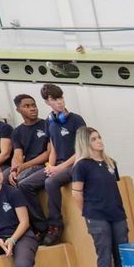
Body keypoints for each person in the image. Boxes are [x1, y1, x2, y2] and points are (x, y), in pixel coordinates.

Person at [72, 126, 134, 267]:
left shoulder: (110, 163)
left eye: (99, 137)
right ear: (85, 143)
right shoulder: (82, 165)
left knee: (121, 252)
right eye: (93, 139)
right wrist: (88, 213)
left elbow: (112, 187)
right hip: (97, 215)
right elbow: (77, 193)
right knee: (104, 254)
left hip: (116, 213)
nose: (99, 141)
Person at [41, 83, 88, 228]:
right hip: (59, 165)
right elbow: (53, 148)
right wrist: (51, 167)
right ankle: (40, 227)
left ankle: (55, 225)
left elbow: (82, 149)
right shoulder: (49, 122)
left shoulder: (76, 120)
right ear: (47, 102)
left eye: (60, 98)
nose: (59, 102)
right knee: (24, 184)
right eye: (54, 99)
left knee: (50, 183)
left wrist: (59, 168)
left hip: (77, 163)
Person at [8, 93, 53, 238]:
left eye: (33, 105)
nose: (32, 109)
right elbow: (17, 154)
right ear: (18, 110)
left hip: (43, 164)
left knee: (22, 184)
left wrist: (24, 166)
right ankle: (21, 229)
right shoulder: (17, 132)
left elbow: (48, 153)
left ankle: (42, 228)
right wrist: (14, 170)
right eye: (27, 106)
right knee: (8, 184)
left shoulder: (47, 124)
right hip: (29, 167)